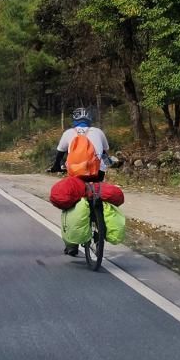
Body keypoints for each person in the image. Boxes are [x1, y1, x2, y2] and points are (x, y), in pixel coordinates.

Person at [48, 107, 114, 256]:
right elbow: (104, 154)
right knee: (97, 194)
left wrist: (55, 167)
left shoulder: (68, 134)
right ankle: (99, 224)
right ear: (90, 120)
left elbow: (59, 155)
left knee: (71, 201)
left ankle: (71, 245)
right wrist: (109, 163)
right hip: (98, 173)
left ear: (74, 121)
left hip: (76, 174)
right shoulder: (98, 132)